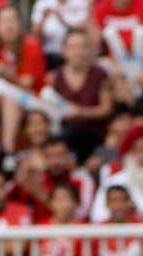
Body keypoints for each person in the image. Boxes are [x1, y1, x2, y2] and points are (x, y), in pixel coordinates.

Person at [0, 4, 46, 155]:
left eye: (12, 21)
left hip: (33, 97)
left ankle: (7, 150)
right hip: (4, 97)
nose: (8, 26)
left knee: (10, 98)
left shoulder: (30, 44)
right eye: (3, 22)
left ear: (19, 24)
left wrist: (5, 73)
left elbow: (26, 83)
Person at [51, 28, 114, 163]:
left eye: (83, 46)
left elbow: (106, 109)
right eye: (73, 47)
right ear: (64, 51)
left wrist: (81, 112)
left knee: (110, 156)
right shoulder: (56, 77)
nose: (78, 52)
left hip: (97, 135)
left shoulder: (100, 74)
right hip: (67, 138)